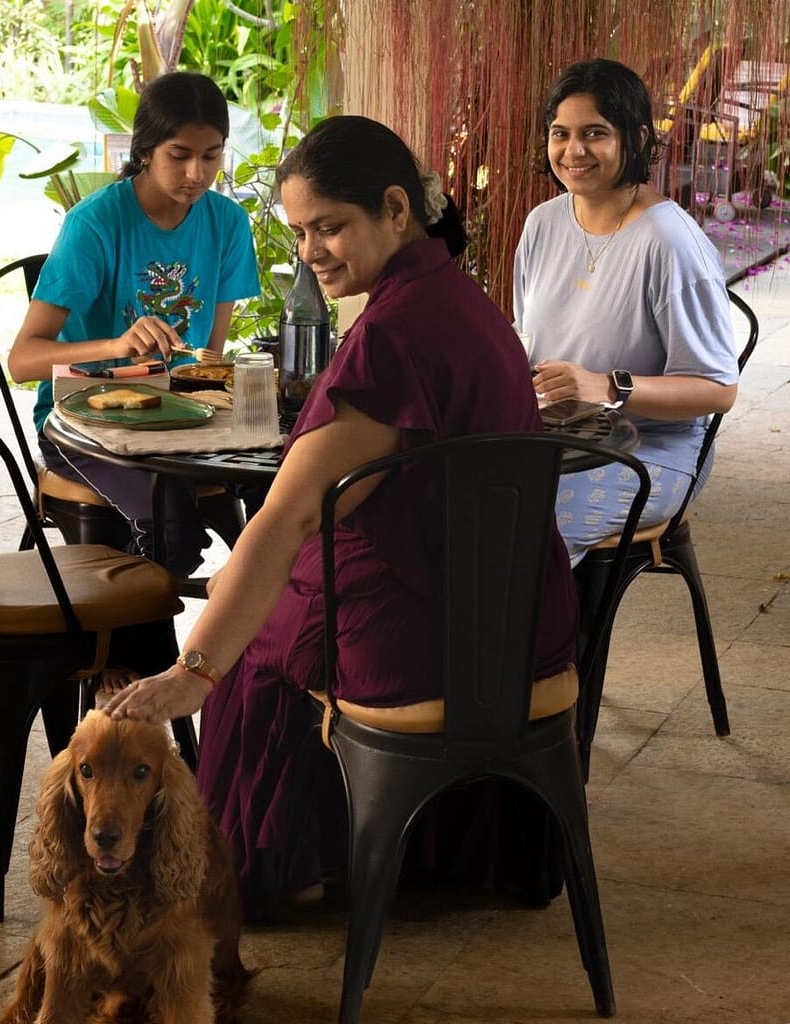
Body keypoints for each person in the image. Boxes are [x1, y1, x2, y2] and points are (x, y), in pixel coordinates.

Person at [105, 115, 580, 921]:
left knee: (255, 639)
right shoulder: (458, 300)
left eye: (329, 227)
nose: (310, 252)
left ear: (395, 210)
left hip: (439, 642)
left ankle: (267, 877)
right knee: (271, 602)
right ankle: (391, 849)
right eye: (298, 232)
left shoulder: (391, 336)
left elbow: (289, 518)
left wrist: (192, 674)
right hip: (518, 617)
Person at [8, 71, 260, 580]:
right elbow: (21, 361)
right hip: (82, 427)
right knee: (169, 529)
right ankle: (133, 657)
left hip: (182, 420)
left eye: (211, 155)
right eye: (179, 154)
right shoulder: (96, 224)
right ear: (146, 149)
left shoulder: (227, 224)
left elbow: (206, 358)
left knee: (288, 494)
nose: (197, 172)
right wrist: (118, 344)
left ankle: (260, 651)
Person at [513, 58, 739, 567]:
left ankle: (550, 648)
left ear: (635, 139)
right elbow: (527, 338)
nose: (573, 151)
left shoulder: (669, 241)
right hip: (557, 439)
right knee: (447, 496)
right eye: (560, 133)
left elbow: (718, 389)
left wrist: (608, 387)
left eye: (594, 133)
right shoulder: (542, 224)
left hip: (652, 451)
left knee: (527, 523)